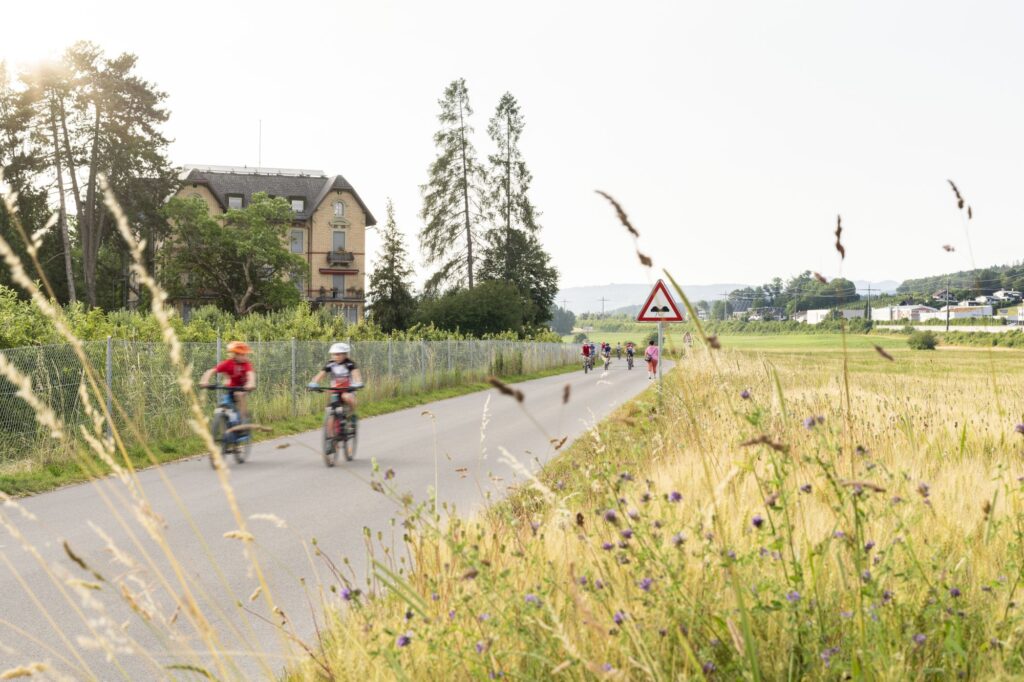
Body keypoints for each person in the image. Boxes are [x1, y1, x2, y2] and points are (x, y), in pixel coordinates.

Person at [199, 340, 255, 421]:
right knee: (225, 400)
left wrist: (251, 383)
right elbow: (211, 371)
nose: (246, 357)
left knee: (238, 394)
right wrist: (204, 381)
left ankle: (244, 420)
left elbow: (251, 374)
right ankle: (226, 421)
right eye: (243, 354)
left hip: (243, 387)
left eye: (245, 354)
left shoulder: (246, 364)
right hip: (231, 387)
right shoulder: (227, 363)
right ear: (235, 355)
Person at [308, 342, 364, 417]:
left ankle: (352, 414)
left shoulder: (350, 364)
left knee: (346, 397)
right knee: (329, 401)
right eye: (333, 354)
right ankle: (329, 424)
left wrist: (358, 382)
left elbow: (356, 375)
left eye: (338, 354)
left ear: (344, 354)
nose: (335, 356)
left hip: (348, 389)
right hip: (335, 389)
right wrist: (314, 382)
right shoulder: (330, 364)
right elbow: (321, 374)